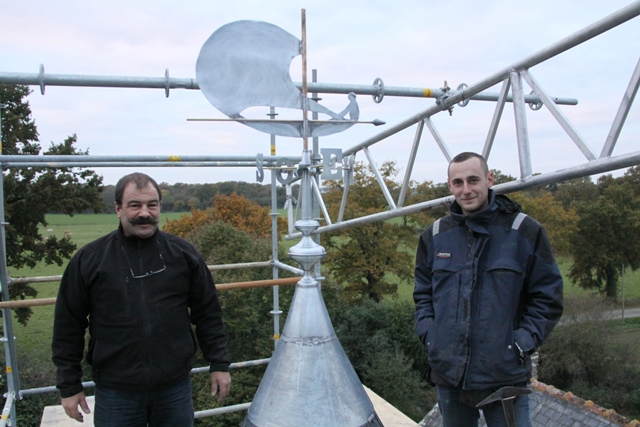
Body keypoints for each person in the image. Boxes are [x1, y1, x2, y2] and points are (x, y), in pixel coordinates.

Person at [52, 172, 231, 426]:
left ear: (159, 207)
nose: (144, 213)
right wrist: (69, 385)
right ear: (118, 208)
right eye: (135, 205)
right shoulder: (90, 260)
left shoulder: (183, 254)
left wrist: (219, 363)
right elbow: (68, 325)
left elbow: (208, 312)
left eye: (152, 205)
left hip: (174, 389)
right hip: (116, 393)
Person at [414, 152, 563, 427]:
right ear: (450, 185)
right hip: (449, 374)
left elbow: (548, 297)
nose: (466, 189)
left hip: (504, 378)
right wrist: (431, 336)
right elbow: (423, 294)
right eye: (458, 182)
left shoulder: (524, 231)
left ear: (489, 179)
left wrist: (520, 344)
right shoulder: (435, 236)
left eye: (473, 180)